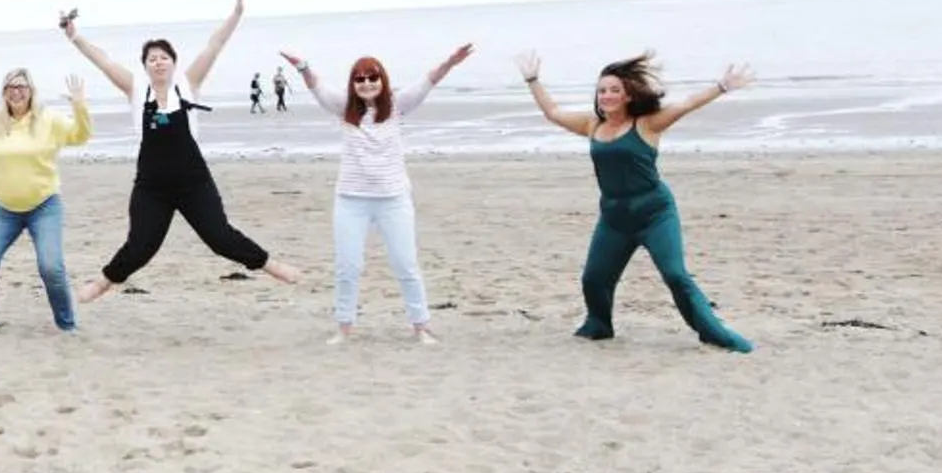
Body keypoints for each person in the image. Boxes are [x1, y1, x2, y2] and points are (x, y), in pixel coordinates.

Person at [517, 48, 758, 352]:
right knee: (594, 278)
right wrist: (533, 80)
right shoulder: (592, 126)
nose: (606, 95)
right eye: (602, 90)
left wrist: (722, 86)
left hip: (654, 213)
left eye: (614, 90)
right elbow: (552, 113)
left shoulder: (647, 124)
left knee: (675, 274)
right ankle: (599, 325)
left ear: (628, 95)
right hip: (615, 218)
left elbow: (685, 105)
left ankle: (714, 332)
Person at [63, 0, 302, 302]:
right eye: (152, 58)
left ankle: (272, 265)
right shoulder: (136, 89)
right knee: (140, 246)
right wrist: (75, 36)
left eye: (164, 57)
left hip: (193, 182)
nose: (159, 61)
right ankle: (101, 283)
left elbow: (214, 45)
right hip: (152, 186)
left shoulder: (188, 85)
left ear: (173, 63)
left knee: (220, 238)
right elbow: (103, 61)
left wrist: (236, 15)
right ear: (145, 66)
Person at [282, 43, 474, 343]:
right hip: (351, 200)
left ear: (382, 80)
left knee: (406, 264)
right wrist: (302, 66)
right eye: (360, 79)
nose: (367, 83)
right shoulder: (344, 108)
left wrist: (450, 62)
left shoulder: (397, 106)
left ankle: (420, 326)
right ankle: (344, 327)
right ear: (353, 84)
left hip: (393, 200)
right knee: (348, 267)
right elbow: (316, 86)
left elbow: (429, 81)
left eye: (373, 77)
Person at [0, 69, 92, 331]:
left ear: (31, 91)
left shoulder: (49, 120)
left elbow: (80, 135)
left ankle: (67, 325)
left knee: (51, 268)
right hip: (3, 209)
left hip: (44, 206)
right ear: (4, 93)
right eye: (10, 87)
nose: (16, 91)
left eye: (22, 87)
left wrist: (79, 106)